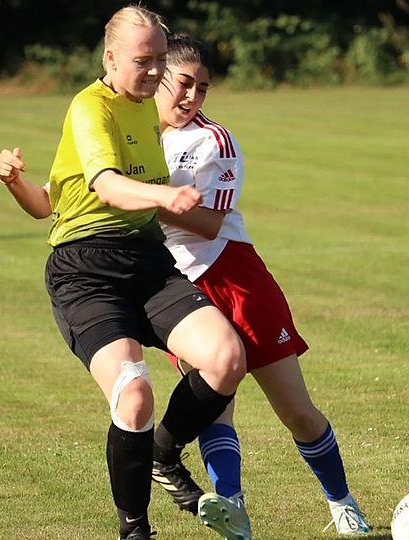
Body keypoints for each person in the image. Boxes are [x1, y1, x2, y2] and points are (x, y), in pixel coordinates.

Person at [0, 8, 246, 540]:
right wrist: (165, 195)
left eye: (160, 60)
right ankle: (135, 530)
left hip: (148, 261)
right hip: (85, 270)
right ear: (109, 58)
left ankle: (162, 452)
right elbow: (103, 187)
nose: (155, 71)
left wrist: (21, 185)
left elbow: (49, 200)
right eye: (143, 60)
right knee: (134, 395)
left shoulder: (149, 105)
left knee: (226, 358)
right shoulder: (89, 108)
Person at [151, 33, 372, 539]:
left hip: (235, 278)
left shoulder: (213, 141)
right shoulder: (134, 133)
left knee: (295, 409)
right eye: (183, 83)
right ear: (158, 77)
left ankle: (342, 502)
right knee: (215, 406)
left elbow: (208, 225)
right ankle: (232, 508)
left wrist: (135, 198)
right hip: (180, 290)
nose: (191, 96)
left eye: (202, 88)